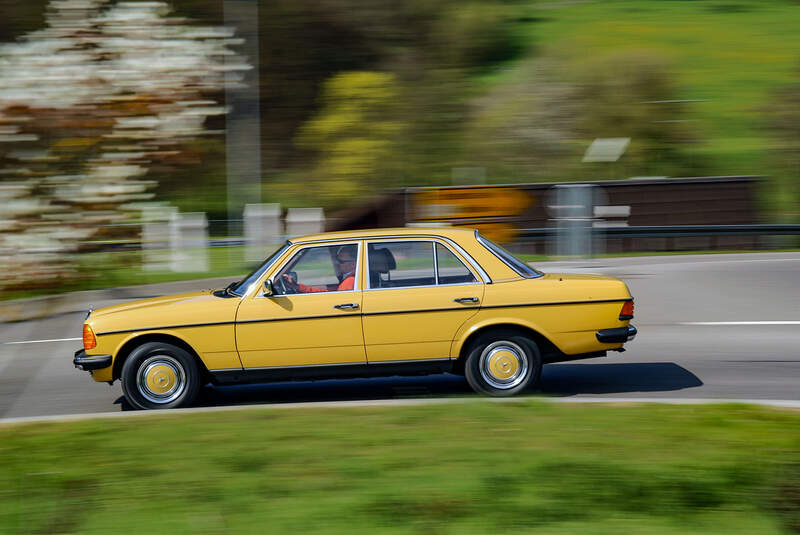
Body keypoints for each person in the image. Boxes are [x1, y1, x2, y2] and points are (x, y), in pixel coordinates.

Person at [281, 245, 356, 293]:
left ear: (353, 264)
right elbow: (327, 291)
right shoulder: (347, 279)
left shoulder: (350, 281)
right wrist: (297, 287)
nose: (336, 262)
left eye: (340, 261)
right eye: (336, 259)